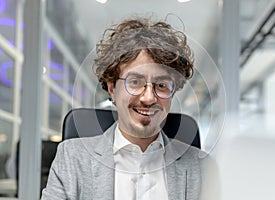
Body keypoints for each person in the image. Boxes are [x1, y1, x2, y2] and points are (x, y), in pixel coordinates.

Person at [41, 17, 203, 200]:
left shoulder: (202, 167)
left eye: (162, 85)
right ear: (112, 87)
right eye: (135, 82)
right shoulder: (72, 158)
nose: (149, 97)